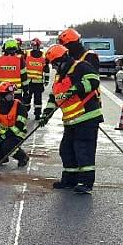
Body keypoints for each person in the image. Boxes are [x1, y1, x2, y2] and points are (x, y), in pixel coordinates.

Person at [40, 44, 102, 194]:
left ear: (63, 59)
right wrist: (46, 114)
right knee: (66, 149)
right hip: (71, 120)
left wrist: (77, 88)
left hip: (86, 117)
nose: (54, 67)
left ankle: (86, 183)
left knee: (83, 150)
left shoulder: (81, 67)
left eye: (55, 64)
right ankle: (70, 180)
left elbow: (94, 81)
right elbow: (54, 97)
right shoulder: (59, 76)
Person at [0, 82, 29, 168]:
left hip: (18, 133)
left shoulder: (19, 106)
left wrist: (3, 136)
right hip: (3, 131)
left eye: (12, 93)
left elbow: (19, 126)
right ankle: (2, 158)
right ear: (2, 96)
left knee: (7, 146)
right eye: (10, 94)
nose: (12, 95)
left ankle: (23, 157)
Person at [24, 37, 50, 120]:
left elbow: (46, 68)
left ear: (38, 45)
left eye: (35, 45)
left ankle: (38, 114)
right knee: (27, 99)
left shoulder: (43, 55)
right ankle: (24, 113)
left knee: (38, 100)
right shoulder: (27, 54)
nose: (33, 47)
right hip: (28, 82)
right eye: (32, 45)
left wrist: (46, 79)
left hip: (38, 83)